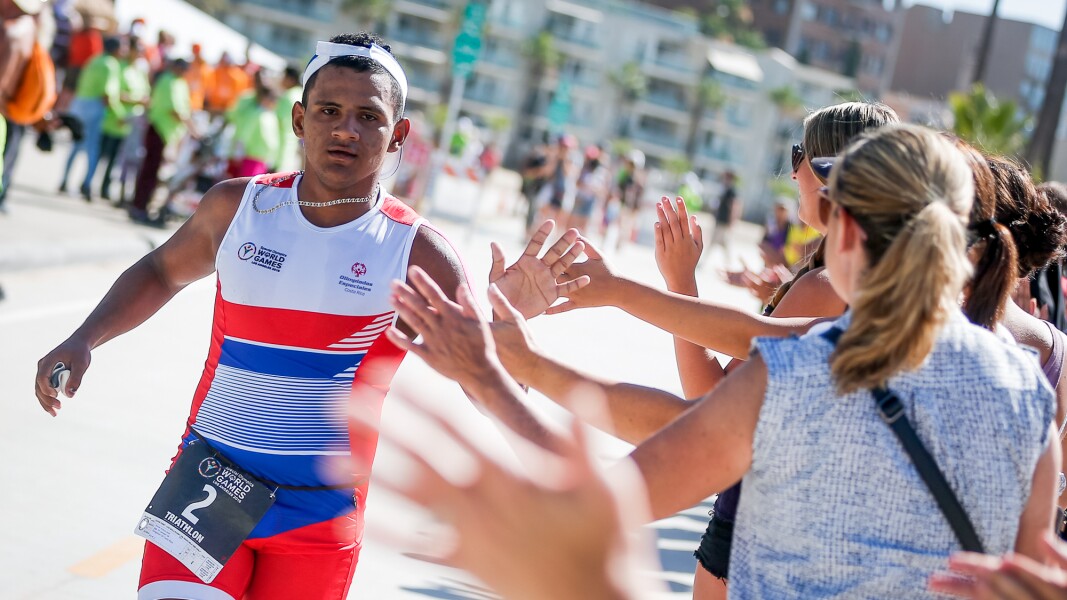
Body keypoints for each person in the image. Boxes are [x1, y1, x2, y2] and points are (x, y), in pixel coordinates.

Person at [390, 123, 1060, 598]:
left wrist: (488, 373)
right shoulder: (1028, 394)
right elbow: (1028, 572)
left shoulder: (797, 374)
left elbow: (598, 505)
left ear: (845, 228)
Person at [34, 31, 583, 600]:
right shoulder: (239, 208)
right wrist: (85, 338)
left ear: (398, 135)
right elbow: (161, 271)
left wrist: (506, 323)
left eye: (368, 116)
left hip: (317, 519)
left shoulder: (416, 251)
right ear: (299, 120)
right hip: (206, 486)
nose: (345, 129)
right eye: (329, 110)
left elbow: (486, 383)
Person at [128, 57, 192, 224]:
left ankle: (144, 205)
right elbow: (175, 110)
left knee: (156, 173)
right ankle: (139, 206)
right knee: (150, 171)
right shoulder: (168, 81)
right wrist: (193, 129)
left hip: (168, 133)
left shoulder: (178, 83)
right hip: (159, 129)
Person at [59, 34, 122, 201]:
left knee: (75, 146)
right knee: (92, 148)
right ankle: (86, 185)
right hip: (93, 107)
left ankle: (64, 180)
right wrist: (118, 114)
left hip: (79, 104)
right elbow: (107, 95)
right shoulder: (110, 64)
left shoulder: (94, 60)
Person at [99, 36, 149, 202]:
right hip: (117, 119)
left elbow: (146, 94)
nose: (140, 53)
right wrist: (136, 99)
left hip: (134, 123)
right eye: (138, 49)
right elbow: (115, 93)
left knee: (127, 160)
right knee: (107, 156)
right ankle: (101, 186)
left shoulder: (140, 71)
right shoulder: (120, 67)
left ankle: (118, 191)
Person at [273, 65, 302, 173]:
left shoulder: (287, 97)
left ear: (290, 79)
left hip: (280, 148)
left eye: (283, 76)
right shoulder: (300, 93)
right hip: (293, 146)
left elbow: (278, 124)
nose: (281, 79)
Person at [707, 170, 738, 264]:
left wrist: (732, 221)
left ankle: (728, 262)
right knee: (721, 242)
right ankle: (728, 262)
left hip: (724, 221)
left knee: (721, 242)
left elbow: (734, 206)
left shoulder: (732, 191)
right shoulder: (723, 189)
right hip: (719, 219)